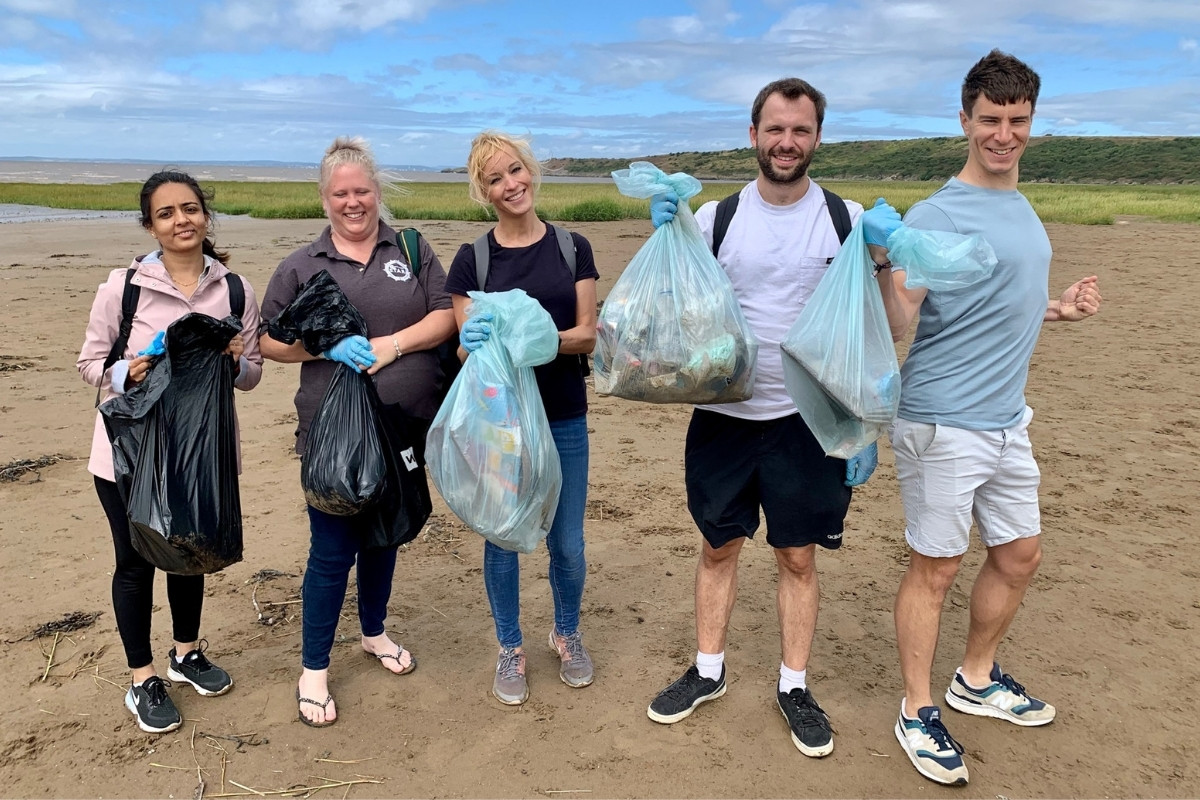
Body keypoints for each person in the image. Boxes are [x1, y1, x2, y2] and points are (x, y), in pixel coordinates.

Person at [644, 78, 902, 758]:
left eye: (801, 130)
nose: (788, 142)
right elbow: (678, 311)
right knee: (717, 546)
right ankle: (708, 670)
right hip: (725, 415)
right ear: (753, 134)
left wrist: (883, 254)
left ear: (818, 137)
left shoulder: (847, 220)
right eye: (776, 129)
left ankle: (794, 685)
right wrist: (670, 236)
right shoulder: (715, 221)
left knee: (796, 555)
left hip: (808, 421)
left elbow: (883, 328)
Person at [874, 50, 1102, 786]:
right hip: (942, 418)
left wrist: (1057, 307)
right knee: (935, 569)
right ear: (965, 120)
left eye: (1017, 121)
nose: (1004, 134)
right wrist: (889, 266)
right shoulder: (935, 214)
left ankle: (974, 679)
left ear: (1031, 122)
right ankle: (916, 710)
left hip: (1009, 419)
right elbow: (903, 321)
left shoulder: (1020, 205)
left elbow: (1000, 296)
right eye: (991, 120)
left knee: (1020, 554)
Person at [259, 137, 456, 727]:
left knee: (385, 537)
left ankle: (373, 631)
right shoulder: (300, 265)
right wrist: (321, 343)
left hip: (406, 426)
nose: (353, 202)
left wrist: (391, 345)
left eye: (362, 190)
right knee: (330, 551)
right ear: (324, 199)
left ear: (378, 193)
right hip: (332, 436)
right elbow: (267, 340)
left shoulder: (413, 249)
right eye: (341, 193)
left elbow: (445, 313)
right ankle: (313, 668)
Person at [78, 170, 264, 734]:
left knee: (191, 552)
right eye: (166, 213)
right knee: (135, 562)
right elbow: (89, 366)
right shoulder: (124, 288)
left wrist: (235, 358)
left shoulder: (234, 289)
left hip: (201, 458)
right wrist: (124, 373)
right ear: (150, 225)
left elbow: (251, 375)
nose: (181, 220)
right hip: (129, 459)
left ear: (206, 215)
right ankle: (142, 679)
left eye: (189, 209)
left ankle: (185, 654)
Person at [443, 131, 599, 706]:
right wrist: (476, 338)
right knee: (502, 536)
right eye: (495, 179)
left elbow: (587, 335)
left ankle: (567, 632)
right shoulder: (472, 259)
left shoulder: (570, 246)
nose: (512, 185)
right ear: (482, 192)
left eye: (516, 171)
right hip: (498, 424)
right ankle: (510, 647)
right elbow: (463, 350)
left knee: (569, 544)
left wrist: (535, 338)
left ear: (531, 171)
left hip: (563, 416)